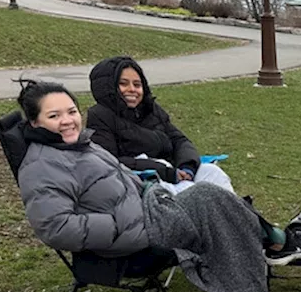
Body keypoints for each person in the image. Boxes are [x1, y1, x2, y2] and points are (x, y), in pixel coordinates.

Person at [8, 80, 301, 292]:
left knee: (211, 196)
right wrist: (118, 226)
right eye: (54, 116)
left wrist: (149, 188)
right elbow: (55, 228)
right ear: (35, 122)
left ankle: (272, 248)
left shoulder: (81, 145)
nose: (67, 120)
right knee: (209, 201)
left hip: (147, 208)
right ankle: (269, 271)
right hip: (131, 237)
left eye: (71, 111)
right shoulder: (41, 167)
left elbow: (121, 176)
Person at [85, 55, 236, 194]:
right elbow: (109, 161)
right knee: (192, 192)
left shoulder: (152, 109)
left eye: (137, 84)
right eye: (123, 84)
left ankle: (241, 217)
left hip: (174, 170)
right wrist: (164, 171)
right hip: (143, 180)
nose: (132, 89)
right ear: (109, 88)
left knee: (213, 172)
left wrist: (187, 167)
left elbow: (179, 140)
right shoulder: (100, 115)